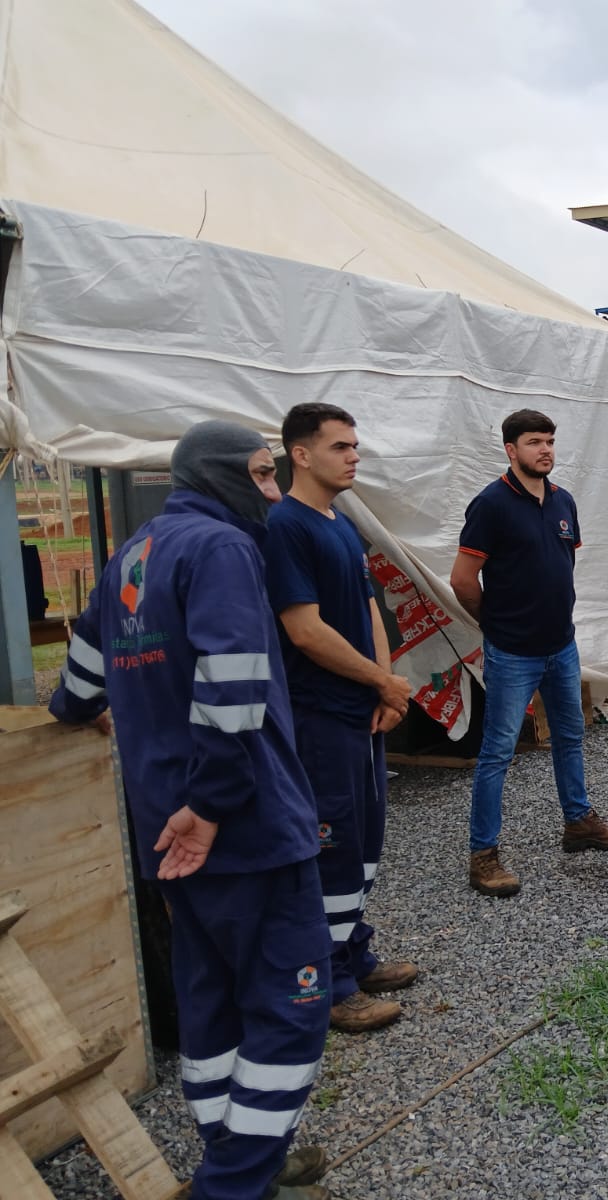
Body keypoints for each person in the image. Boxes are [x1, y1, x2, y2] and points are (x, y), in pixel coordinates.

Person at [51, 421, 332, 1200]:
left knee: (213, 1007)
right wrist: (210, 807)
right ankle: (233, 1183)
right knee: (294, 1004)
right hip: (241, 827)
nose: (274, 492)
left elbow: (81, 672)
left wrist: (72, 713)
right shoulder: (224, 550)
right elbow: (233, 683)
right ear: (220, 476)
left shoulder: (129, 556)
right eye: (264, 475)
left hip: (164, 831)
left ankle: (247, 1158)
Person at [267, 403, 416, 1034]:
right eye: (340, 446)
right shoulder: (286, 526)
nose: (354, 455)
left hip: (361, 712)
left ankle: (354, 955)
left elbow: (370, 612)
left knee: (361, 847)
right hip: (319, 717)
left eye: (355, 445)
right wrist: (381, 680)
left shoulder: (340, 524)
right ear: (301, 454)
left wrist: (387, 690)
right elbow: (303, 630)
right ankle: (328, 988)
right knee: (330, 852)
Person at [451, 409, 608, 897]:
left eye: (550, 441)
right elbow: (463, 581)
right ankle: (483, 856)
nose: (545, 450)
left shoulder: (563, 501)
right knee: (497, 752)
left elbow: (563, 564)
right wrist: (497, 626)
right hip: (513, 651)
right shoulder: (491, 505)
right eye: (534, 442)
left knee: (570, 737)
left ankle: (578, 823)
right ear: (511, 450)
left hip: (561, 645)